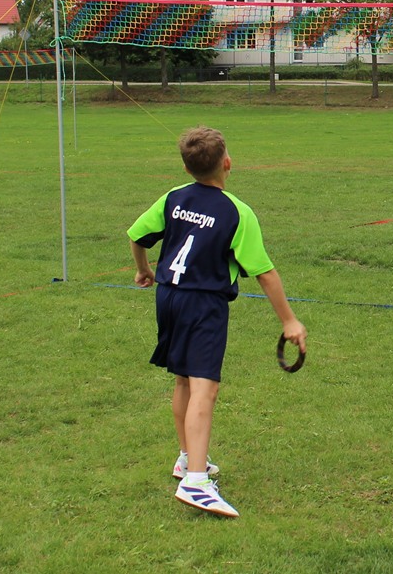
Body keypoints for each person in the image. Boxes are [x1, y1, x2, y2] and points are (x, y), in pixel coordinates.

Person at [128, 126, 307, 518]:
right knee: (204, 388)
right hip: (203, 304)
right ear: (227, 163)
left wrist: (143, 270)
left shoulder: (173, 197)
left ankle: (187, 458)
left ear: (187, 167)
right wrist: (290, 321)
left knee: (183, 380)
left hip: (168, 297)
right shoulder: (236, 212)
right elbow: (265, 273)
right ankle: (196, 482)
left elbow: (137, 236)